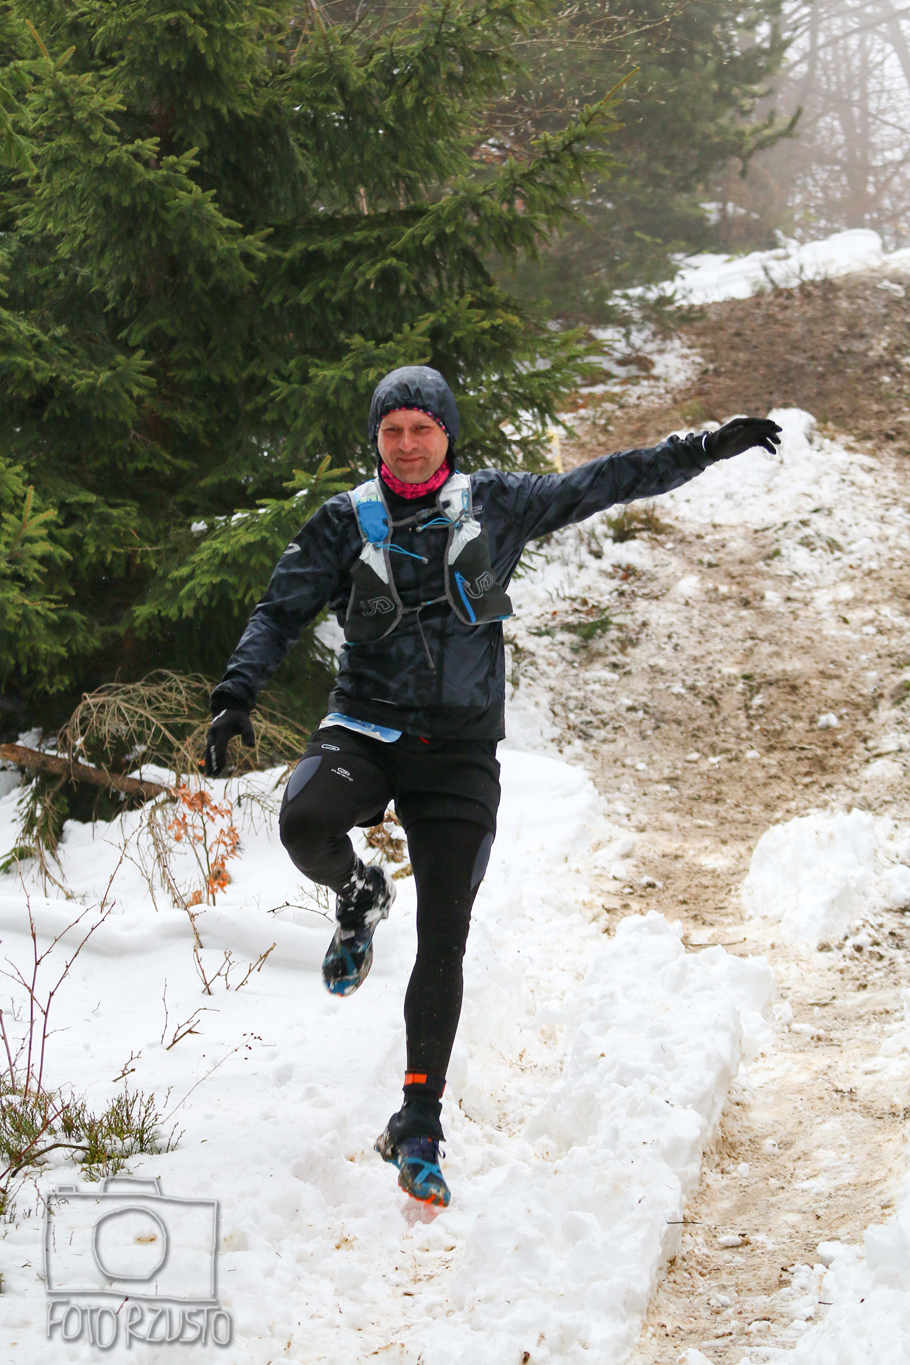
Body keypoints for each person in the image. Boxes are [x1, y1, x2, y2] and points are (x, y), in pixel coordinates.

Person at [204, 365, 781, 1208]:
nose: (407, 444)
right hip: (365, 727)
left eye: (422, 428)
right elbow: (278, 611)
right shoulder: (344, 520)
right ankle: (359, 891)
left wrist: (701, 449)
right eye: (392, 430)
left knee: (444, 934)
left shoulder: (499, 503)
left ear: (447, 434)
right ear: (376, 439)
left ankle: (418, 1122)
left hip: (459, 751)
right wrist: (236, 692)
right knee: (304, 820)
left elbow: (605, 480)